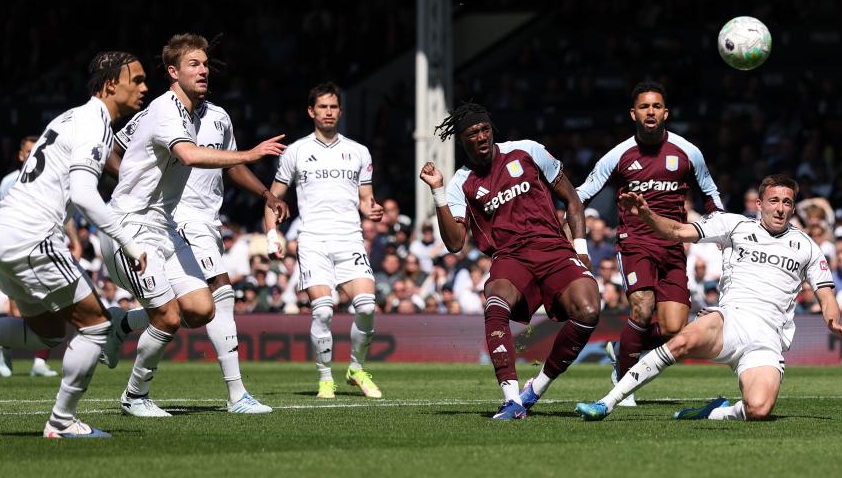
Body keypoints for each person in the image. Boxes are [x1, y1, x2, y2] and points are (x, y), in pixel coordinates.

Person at [98, 33, 286, 418]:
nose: (203, 71)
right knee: (176, 312)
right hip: (132, 226)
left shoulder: (211, 116)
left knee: (201, 310)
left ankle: (120, 325)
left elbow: (228, 164)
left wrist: (265, 192)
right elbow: (185, 154)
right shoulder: (163, 110)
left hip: (165, 224)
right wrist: (131, 184)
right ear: (172, 72)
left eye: (205, 64)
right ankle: (137, 395)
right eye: (193, 65)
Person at [575, 174, 842, 422]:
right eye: (774, 200)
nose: (780, 208)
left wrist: (832, 318)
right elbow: (677, 231)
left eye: (787, 203)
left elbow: (826, 293)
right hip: (730, 320)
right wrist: (647, 215)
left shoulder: (807, 246)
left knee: (759, 410)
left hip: (768, 338)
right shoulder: (734, 225)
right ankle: (606, 402)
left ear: (792, 207)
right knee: (680, 341)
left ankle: (716, 412)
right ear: (759, 203)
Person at [0, 51, 150, 437]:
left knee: (50, 334)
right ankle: (62, 422)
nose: (144, 87)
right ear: (111, 85)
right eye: (137, 80)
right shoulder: (95, 123)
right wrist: (129, 241)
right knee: (96, 327)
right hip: (31, 233)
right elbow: (86, 196)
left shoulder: (70, 116)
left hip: (2, 230)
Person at [419, 102, 599, 420]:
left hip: (554, 249)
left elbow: (572, 199)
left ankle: (536, 389)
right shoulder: (462, 182)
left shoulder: (527, 151)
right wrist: (438, 192)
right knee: (495, 302)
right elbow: (455, 243)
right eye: (472, 133)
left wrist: (581, 252)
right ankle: (512, 399)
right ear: (462, 140)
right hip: (511, 256)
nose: (481, 136)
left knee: (589, 311)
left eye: (485, 129)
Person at [576, 82, 723, 407]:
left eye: (657, 106)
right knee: (642, 309)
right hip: (635, 242)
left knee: (674, 329)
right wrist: (565, 224)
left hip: (673, 245)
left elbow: (711, 195)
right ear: (634, 113)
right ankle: (624, 383)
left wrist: (724, 231)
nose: (651, 111)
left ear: (666, 112)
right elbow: (582, 192)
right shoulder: (618, 155)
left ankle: (624, 348)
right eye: (644, 107)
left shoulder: (687, 152)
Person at [265, 81, 385, 399]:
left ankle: (356, 368)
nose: (329, 112)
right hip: (314, 240)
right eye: (323, 107)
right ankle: (325, 378)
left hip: (349, 238)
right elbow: (272, 198)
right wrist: (272, 234)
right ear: (311, 111)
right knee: (323, 311)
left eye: (333, 107)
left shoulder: (359, 152)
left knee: (367, 307)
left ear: (340, 111)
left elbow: (365, 198)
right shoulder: (296, 152)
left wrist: (371, 209)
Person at [0, 135, 63, 377]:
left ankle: (40, 363)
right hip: (13, 250)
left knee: (52, 306)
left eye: (36, 150)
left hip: (43, 249)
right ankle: (5, 345)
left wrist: (72, 240)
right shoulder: (8, 182)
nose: (32, 154)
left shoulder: (50, 180)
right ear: (21, 155)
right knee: (16, 310)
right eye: (28, 151)